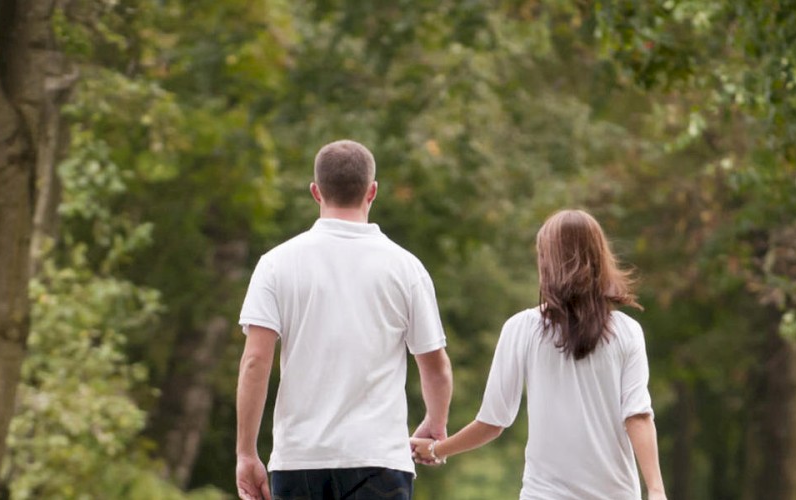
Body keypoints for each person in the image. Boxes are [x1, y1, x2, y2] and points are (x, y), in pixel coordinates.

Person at [236, 140, 454, 500]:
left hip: (299, 460)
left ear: (315, 192)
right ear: (373, 191)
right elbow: (435, 367)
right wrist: (436, 421)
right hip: (379, 459)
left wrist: (246, 453)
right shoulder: (405, 268)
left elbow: (255, 361)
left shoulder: (276, 263)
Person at [410, 209, 667, 500]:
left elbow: (493, 422)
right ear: (599, 258)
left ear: (547, 261)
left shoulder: (521, 329)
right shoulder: (627, 331)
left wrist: (436, 449)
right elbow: (637, 415)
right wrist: (656, 489)